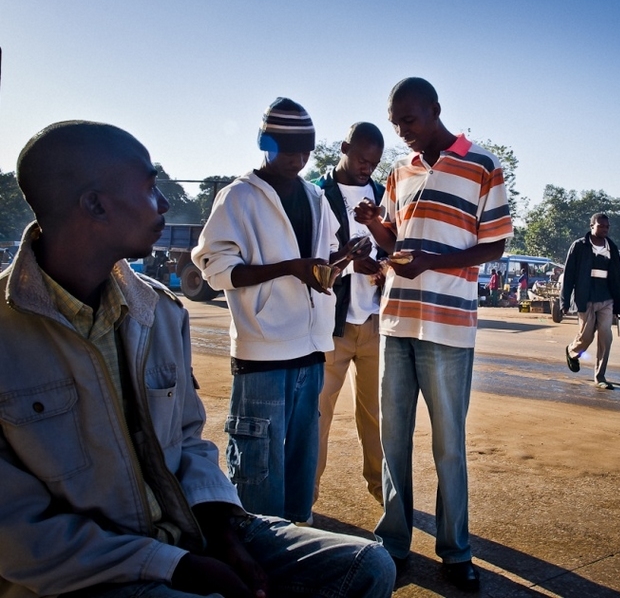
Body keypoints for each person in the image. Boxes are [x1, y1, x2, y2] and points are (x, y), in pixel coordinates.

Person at [0, 120, 395, 598]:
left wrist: (222, 530)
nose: (164, 203)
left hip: (198, 516)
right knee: (261, 475)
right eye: (149, 188)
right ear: (94, 203)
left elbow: (188, 441)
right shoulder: (10, 332)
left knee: (368, 565)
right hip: (91, 572)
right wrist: (175, 566)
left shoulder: (159, 313)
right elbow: (18, 537)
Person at [354, 77, 513, 591]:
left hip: (448, 327)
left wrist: (434, 262)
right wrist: (377, 228)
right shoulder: (400, 171)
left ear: (436, 110)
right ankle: (393, 543)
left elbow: (494, 246)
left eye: (410, 120)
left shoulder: (481, 163)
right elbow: (398, 245)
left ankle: (456, 551)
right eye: (397, 123)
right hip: (397, 317)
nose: (403, 132)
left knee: (449, 446)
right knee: (392, 439)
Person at [192, 98, 361, 524]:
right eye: (288, 149)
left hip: (312, 349)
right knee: (257, 467)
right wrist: (288, 268)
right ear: (264, 143)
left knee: (300, 462)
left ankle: (296, 538)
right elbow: (216, 271)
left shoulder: (315, 197)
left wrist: (343, 260)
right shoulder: (239, 197)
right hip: (262, 355)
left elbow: (323, 261)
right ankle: (257, 553)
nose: (298, 159)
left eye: (306, 150)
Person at [311, 122, 387, 505]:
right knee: (317, 416)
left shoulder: (381, 192)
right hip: (332, 325)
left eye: (374, 163)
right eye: (361, 159)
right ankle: (305, 500)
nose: (366, 168)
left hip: (374, 322)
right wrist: (347, 265)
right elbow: (308, 260)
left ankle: (383, 494)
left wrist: (381, 265)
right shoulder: (316, 193)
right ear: (343, 148)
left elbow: (391, 245)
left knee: (377, 418)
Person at [561, 213, 620, 390]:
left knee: (606, 335)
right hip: (586, 297)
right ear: (592, 226)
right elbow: (568, 275)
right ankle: (572, 351)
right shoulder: (579, 246)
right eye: (601, 226)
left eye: (607, 226)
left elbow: (618, 277)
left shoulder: (611, 247)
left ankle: (600, 376)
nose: (605, 229)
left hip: (607, 298)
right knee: (586, 336)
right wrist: (564, 301)